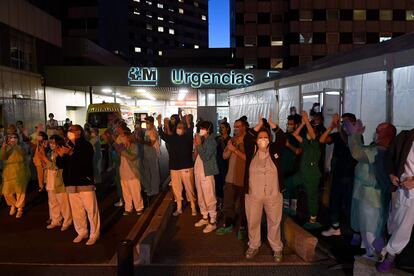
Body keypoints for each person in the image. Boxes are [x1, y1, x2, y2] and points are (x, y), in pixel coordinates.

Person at [343, 120, 396, 260]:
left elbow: (357, 153)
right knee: (368, 225)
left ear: (387, 135)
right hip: (367, 194)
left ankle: (373, 254)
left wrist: (354, 135)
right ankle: (371, 251)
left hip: (371, 196)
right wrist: (354, 135)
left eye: (379, 131)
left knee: (370, 226)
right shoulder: (377, 148)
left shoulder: (380, 150)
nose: (375, 133)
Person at [243, 115, 286, 262]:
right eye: (260, 137)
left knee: (274, 222)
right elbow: (246, 139)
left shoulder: (275, 150)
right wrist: (258, 126)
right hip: (253, 195)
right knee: (253, 221)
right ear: (256, 140)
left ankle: (277, 248)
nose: (263, 139)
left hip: (273, 194)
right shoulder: (252, 151)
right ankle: (254, 245)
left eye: (265, 137)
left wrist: (274, 126)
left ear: (270, 139)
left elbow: (282, 138)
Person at [376, 127, 414, 272]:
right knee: (394, 221)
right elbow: (389, 157)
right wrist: (392, 174)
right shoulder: (405, 136)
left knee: (405, 225)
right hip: (400, 187)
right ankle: (385, 250)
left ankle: (389, 255)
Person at [56, 125, 100, 245]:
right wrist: (60, 156)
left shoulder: (86, 145)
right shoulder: (67, 145)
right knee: (77, 211)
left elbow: (84, 162)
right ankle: (82, 231)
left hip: (84, 181)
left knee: (91, 210)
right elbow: (60, 165)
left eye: (72, 130)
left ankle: (94, 234)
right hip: (70, 182)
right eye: (69, 131)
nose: (69, 133)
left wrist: (70, 153)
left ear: (79, 132)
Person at [320, 113, 359, 237]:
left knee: (348, 204)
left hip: (349, 176)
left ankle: (352, 230)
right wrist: (331, 127)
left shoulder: (357, 136)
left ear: (354, 123)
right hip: (337, 174)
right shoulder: (338, 135)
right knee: (334, 201)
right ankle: (335, 227)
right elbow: (322, 140)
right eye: (342, 122)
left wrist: (337, 127)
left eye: (346, 122)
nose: (343, 124)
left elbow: (348, 141)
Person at [285, 112, 322, 229]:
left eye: (309, 133)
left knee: (312, 197)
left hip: (312, 176)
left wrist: (306, 121)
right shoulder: (306, 143)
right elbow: (295, 134)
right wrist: (302, 124)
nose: (307, 134)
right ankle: (286, 206)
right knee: (288, 183)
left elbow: (312, 134)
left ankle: (313, 221)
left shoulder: (316, 144)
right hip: (302, 174)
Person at [157, 114, 197, 216]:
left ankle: (193, 206)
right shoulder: (172, 138)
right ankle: (179, 208)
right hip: (174, 167)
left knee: (189, 188)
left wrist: (188, 122)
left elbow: (190, 129)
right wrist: (159, 123)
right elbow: (162, 134)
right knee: (176, 188)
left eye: (182, 128)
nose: (180, 129)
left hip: (186, 167)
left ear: (184, 129)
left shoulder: (188, 138)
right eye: (178, 127)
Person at [216, 118, 247, 239]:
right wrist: (230, 148)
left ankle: (243, 227)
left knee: (244, 205)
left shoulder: (248, 141)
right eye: (235, 126)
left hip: (243, 178)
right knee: (228, 204)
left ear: (244, 127)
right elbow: (224, 156)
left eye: (238, 126)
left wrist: (235, 150)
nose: (236, 129)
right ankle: (228, 224)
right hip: (230, 178)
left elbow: (248, 159)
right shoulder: (232, 140)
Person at [39, 134, 72, 231]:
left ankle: (67, 221)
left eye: (53, 143)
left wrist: (45, 159)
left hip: (59, 181)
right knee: (52, 202)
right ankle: (55, 220)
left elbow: (56, 166)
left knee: (63, 203)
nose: (51, 145)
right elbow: (47, 166)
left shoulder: (62, 152)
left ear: (58, 143)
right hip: (50, 180)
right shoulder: (50, 152)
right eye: (50, 143)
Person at [193, 121, 219, 233]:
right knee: (201, 196)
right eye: (200, 128)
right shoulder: (202, 140)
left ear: (208, 129)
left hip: (207, 173)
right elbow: (196, 156)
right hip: (198, 171)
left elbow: (206, 157)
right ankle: (205, 217)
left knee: (209, 197)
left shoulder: (211, 141)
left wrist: (198, 144)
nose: (200, 130)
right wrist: (196, 145)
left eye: (202, 128)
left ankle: (213, 221)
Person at [1, 132, 30, 218]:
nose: (13, 139)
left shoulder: (22, 146)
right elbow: (2, 157)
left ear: (18, 138)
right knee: (6, 192)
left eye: (15, 137)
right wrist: (4, 147)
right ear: (8, 139)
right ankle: (13, 205)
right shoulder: (6, 147)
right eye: (11, 137)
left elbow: (23, 154)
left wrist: (15, 146)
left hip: (20, 171)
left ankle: (20, 209)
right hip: (8, 172)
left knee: (20, 191)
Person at [117, 131, 144, 216]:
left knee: (135, 192)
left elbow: (132, 157)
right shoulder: (122, 147)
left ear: (128, 137)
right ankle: (128, 208)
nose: (121, 139)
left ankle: (139, 207)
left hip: (133, 174)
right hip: (123, 173)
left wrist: (123, 151)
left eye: (123, 137)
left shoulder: (134, 146)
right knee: (126, 193)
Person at [282, 115, 302, 214]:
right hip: (283, 168)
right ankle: (286, 213)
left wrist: (288, 145)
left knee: (292, 190)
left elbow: (299, 151)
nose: (288, 126)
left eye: (291, 124)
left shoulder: (299, 137)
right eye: (288, 124)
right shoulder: (285, 135)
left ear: (297, 125)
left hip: (294, 169)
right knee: (285, 189)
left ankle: (293, 212)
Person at [142, 116, 161, 197]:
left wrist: (140, 140)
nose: (146, 124)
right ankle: (149, 187)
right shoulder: (147, 131)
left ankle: (155, 189)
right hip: (146, 152)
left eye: (148, 123)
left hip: (152, 152)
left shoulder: (153, 131)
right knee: (147, 171)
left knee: (153, 171)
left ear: (152, 123)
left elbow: (151, 143)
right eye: (146, 123)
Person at [215, 121, 231, 207]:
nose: (221, 129)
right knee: (217, 183)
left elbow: (228, 152)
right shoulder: (217, 138)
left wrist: (221, 142)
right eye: (220, 127)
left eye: (223, 127)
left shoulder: (230, 139)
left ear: (227, 128)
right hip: (217, 164)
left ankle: (225, 202)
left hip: (226, 165)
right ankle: (219, 201)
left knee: (225, 183)